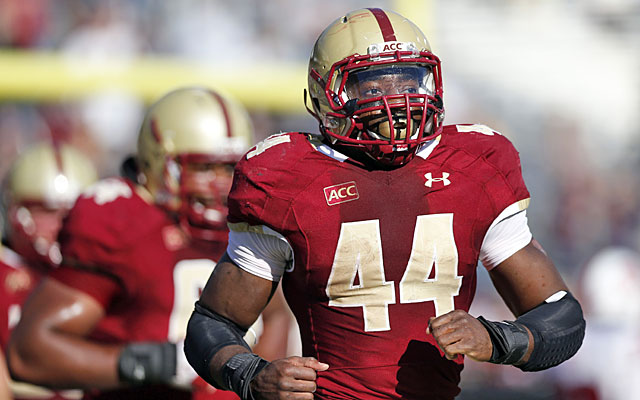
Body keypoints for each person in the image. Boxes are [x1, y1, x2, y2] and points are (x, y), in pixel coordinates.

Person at [184, 8, 586, 400]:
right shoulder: (286, 177)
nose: (397, 103)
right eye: (373, 88)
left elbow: (561, 318)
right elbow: (213, 324)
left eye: (410, 83)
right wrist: (250, 376)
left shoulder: (475, 166)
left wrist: (497, 339)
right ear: (327, 93)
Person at [7, 87, 293, 400]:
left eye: (228, 168)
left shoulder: (247, 219)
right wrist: (154, 363)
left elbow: (275, 314)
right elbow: (30, 351)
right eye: (203, 168)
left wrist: (254, 384)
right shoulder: (123, 221)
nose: (220, 184)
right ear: (160, 163)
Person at [1, 142, 98, 400]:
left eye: (74, 212)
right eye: (48, 211)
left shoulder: (103, 269)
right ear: (15, 211)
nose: (63, 224)